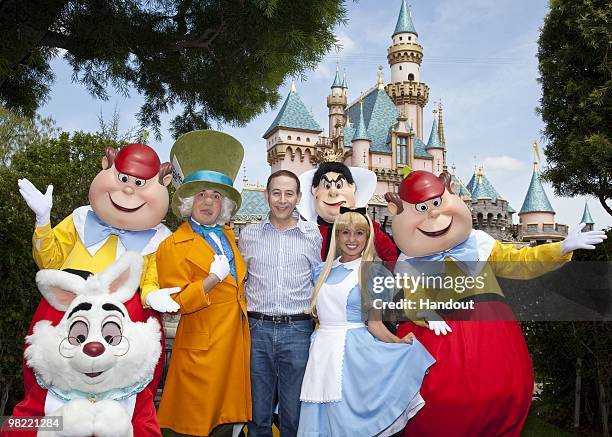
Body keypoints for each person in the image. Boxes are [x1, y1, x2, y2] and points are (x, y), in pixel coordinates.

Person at [384, 170, 607, 437]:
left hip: (492, 339)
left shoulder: (478, 243)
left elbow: (521, 261)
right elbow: (411, 296)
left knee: (503, 395)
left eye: (436, 203)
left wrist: (560, 249)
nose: (433, 214)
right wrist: (424, 313)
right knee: (440, 408)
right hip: (440, 343)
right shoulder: (408, 262)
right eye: (421, 208)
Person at [17, 143, 174, 394]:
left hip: (124, 317)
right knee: (54, 384)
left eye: (140, 183)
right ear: (106, 166)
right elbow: (49, 261)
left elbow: (152, 279)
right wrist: (43, 220)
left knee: (120, 392)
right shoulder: (81, 218)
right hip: (67, 308)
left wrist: (153, 295)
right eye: (123, 178)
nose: (128, 189)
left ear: (163, 183)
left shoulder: (161, 239)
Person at [297, 209, 435, 437]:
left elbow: (375, 325)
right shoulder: (321, 270)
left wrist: (399, 343)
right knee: (318, 419)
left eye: (359, 233)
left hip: (354, 356)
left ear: (367, 237)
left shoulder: (372, 272)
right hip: (321, 351)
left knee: (348, 420)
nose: (352, 239)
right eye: (345, 232)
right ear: (337, 236)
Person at [148, 130, 250, 437]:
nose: (208, 202)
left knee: (226, 424)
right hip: (202, 349)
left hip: (234, 345)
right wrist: (209, 281)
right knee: (194, 425)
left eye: (216, 196)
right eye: (202, 195)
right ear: (189, 201)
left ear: (224, 206)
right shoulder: (173, 246)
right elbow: (175, 303)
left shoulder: (230, 237)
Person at [238, 170, 322, 437]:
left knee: (294, 415)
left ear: (298, 197)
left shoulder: (313, 234)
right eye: (276, 193)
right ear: (266, 196)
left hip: (297, 330)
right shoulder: (249, 235)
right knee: (258, 414)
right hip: (257, 329)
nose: (282, 200)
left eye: (289, 193)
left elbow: (320, 278)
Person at [297, 161, 398, 263]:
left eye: (339, 185)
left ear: (352, 187)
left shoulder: (367, 226)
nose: (333, 192)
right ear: (314, 190)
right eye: (327, 186)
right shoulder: (306, 231)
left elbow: (391, 256)